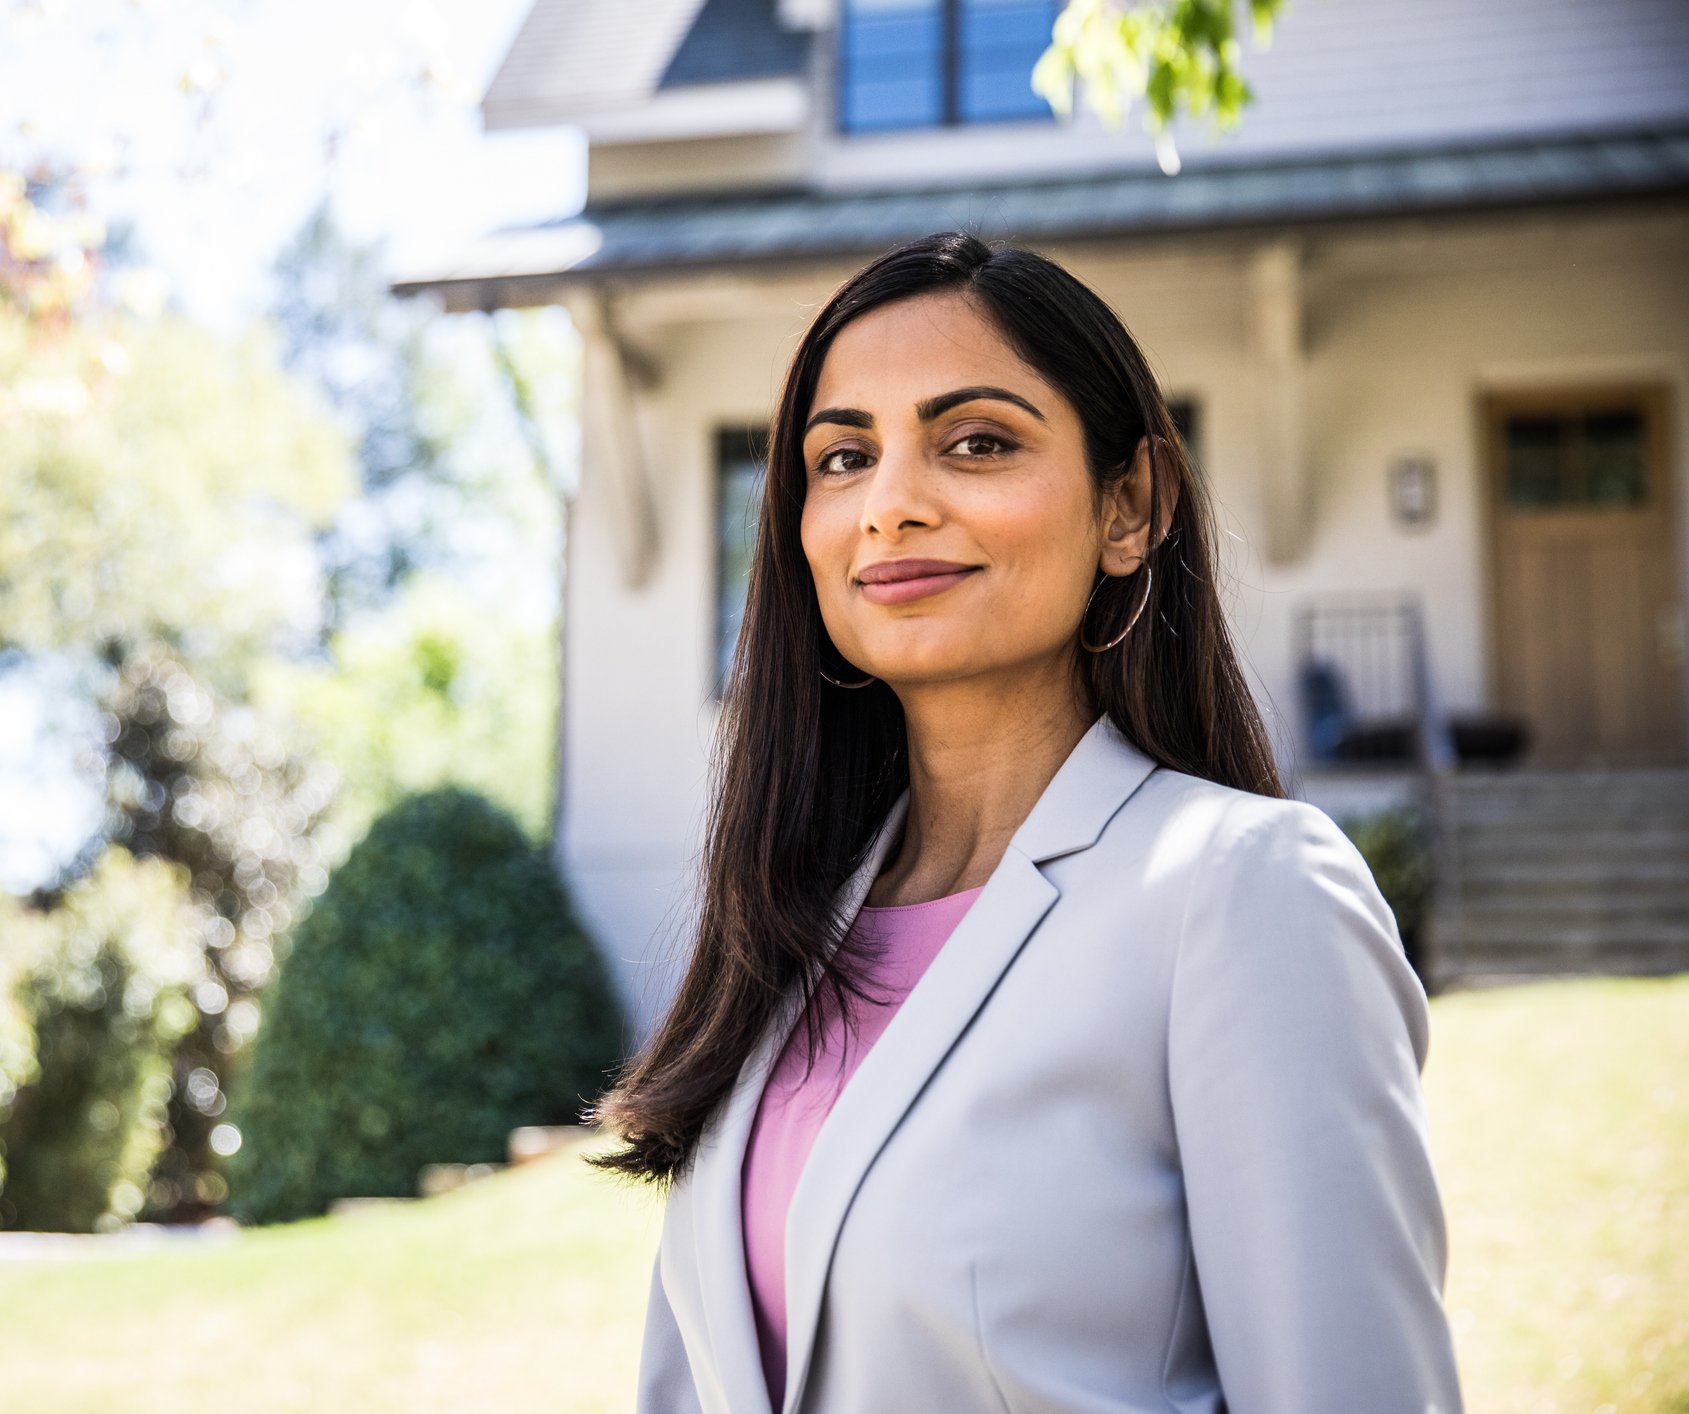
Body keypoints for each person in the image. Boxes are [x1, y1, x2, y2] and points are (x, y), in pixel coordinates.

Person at [584, 231, 1464, 1414]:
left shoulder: (1246, 894)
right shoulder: (785, 930)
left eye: (977, 442)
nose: (890, 505)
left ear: (1131, 504)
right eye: (843, 457)